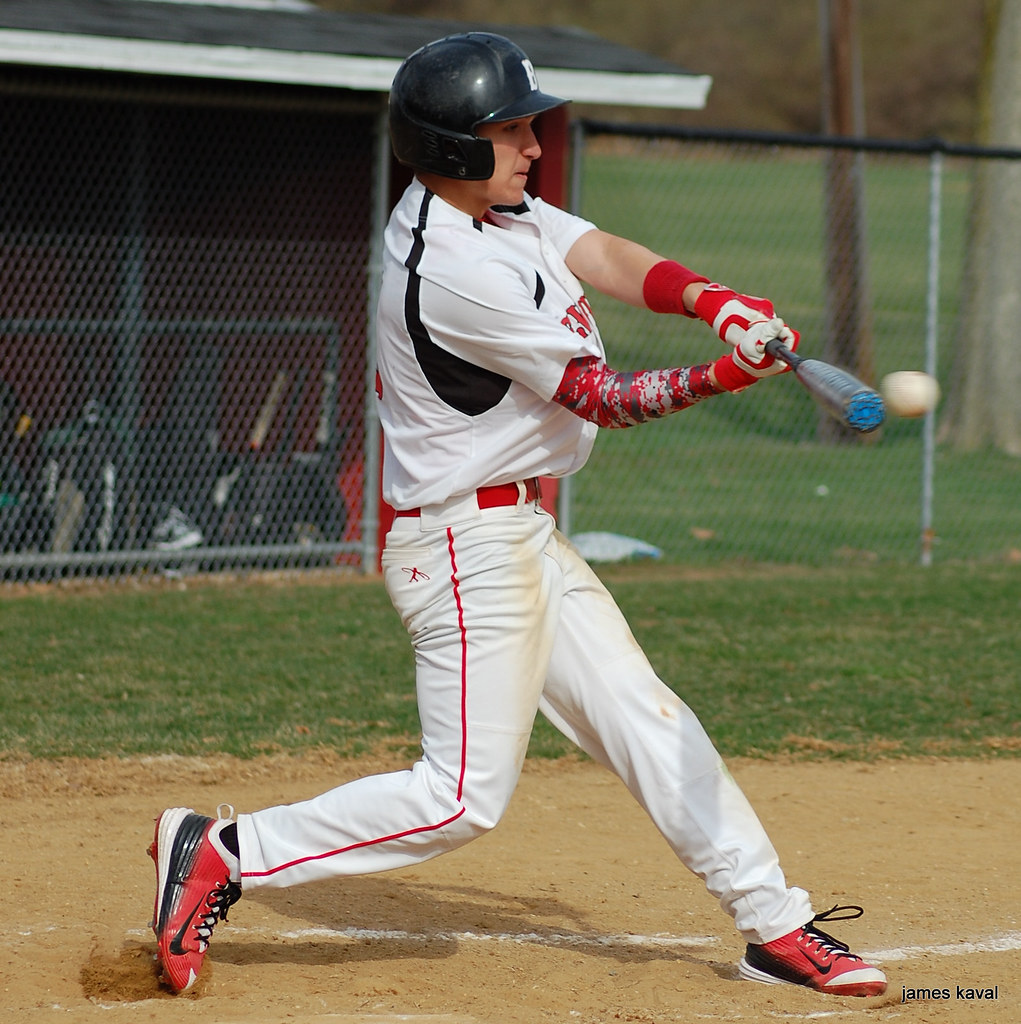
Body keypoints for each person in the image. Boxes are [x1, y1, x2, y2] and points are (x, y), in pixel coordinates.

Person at [148, 32, 887, 1000]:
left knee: (650, 721)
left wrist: (712, 301)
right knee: (459, 799)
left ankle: (774, 924)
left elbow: (601, 252)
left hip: (517, 535)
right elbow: (603, 398)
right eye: (509, 130)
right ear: (452, 148)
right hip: (462, 546)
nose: (533, 144)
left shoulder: (498, 213)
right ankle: (225, 852)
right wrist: (722, 373)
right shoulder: (450, 267)